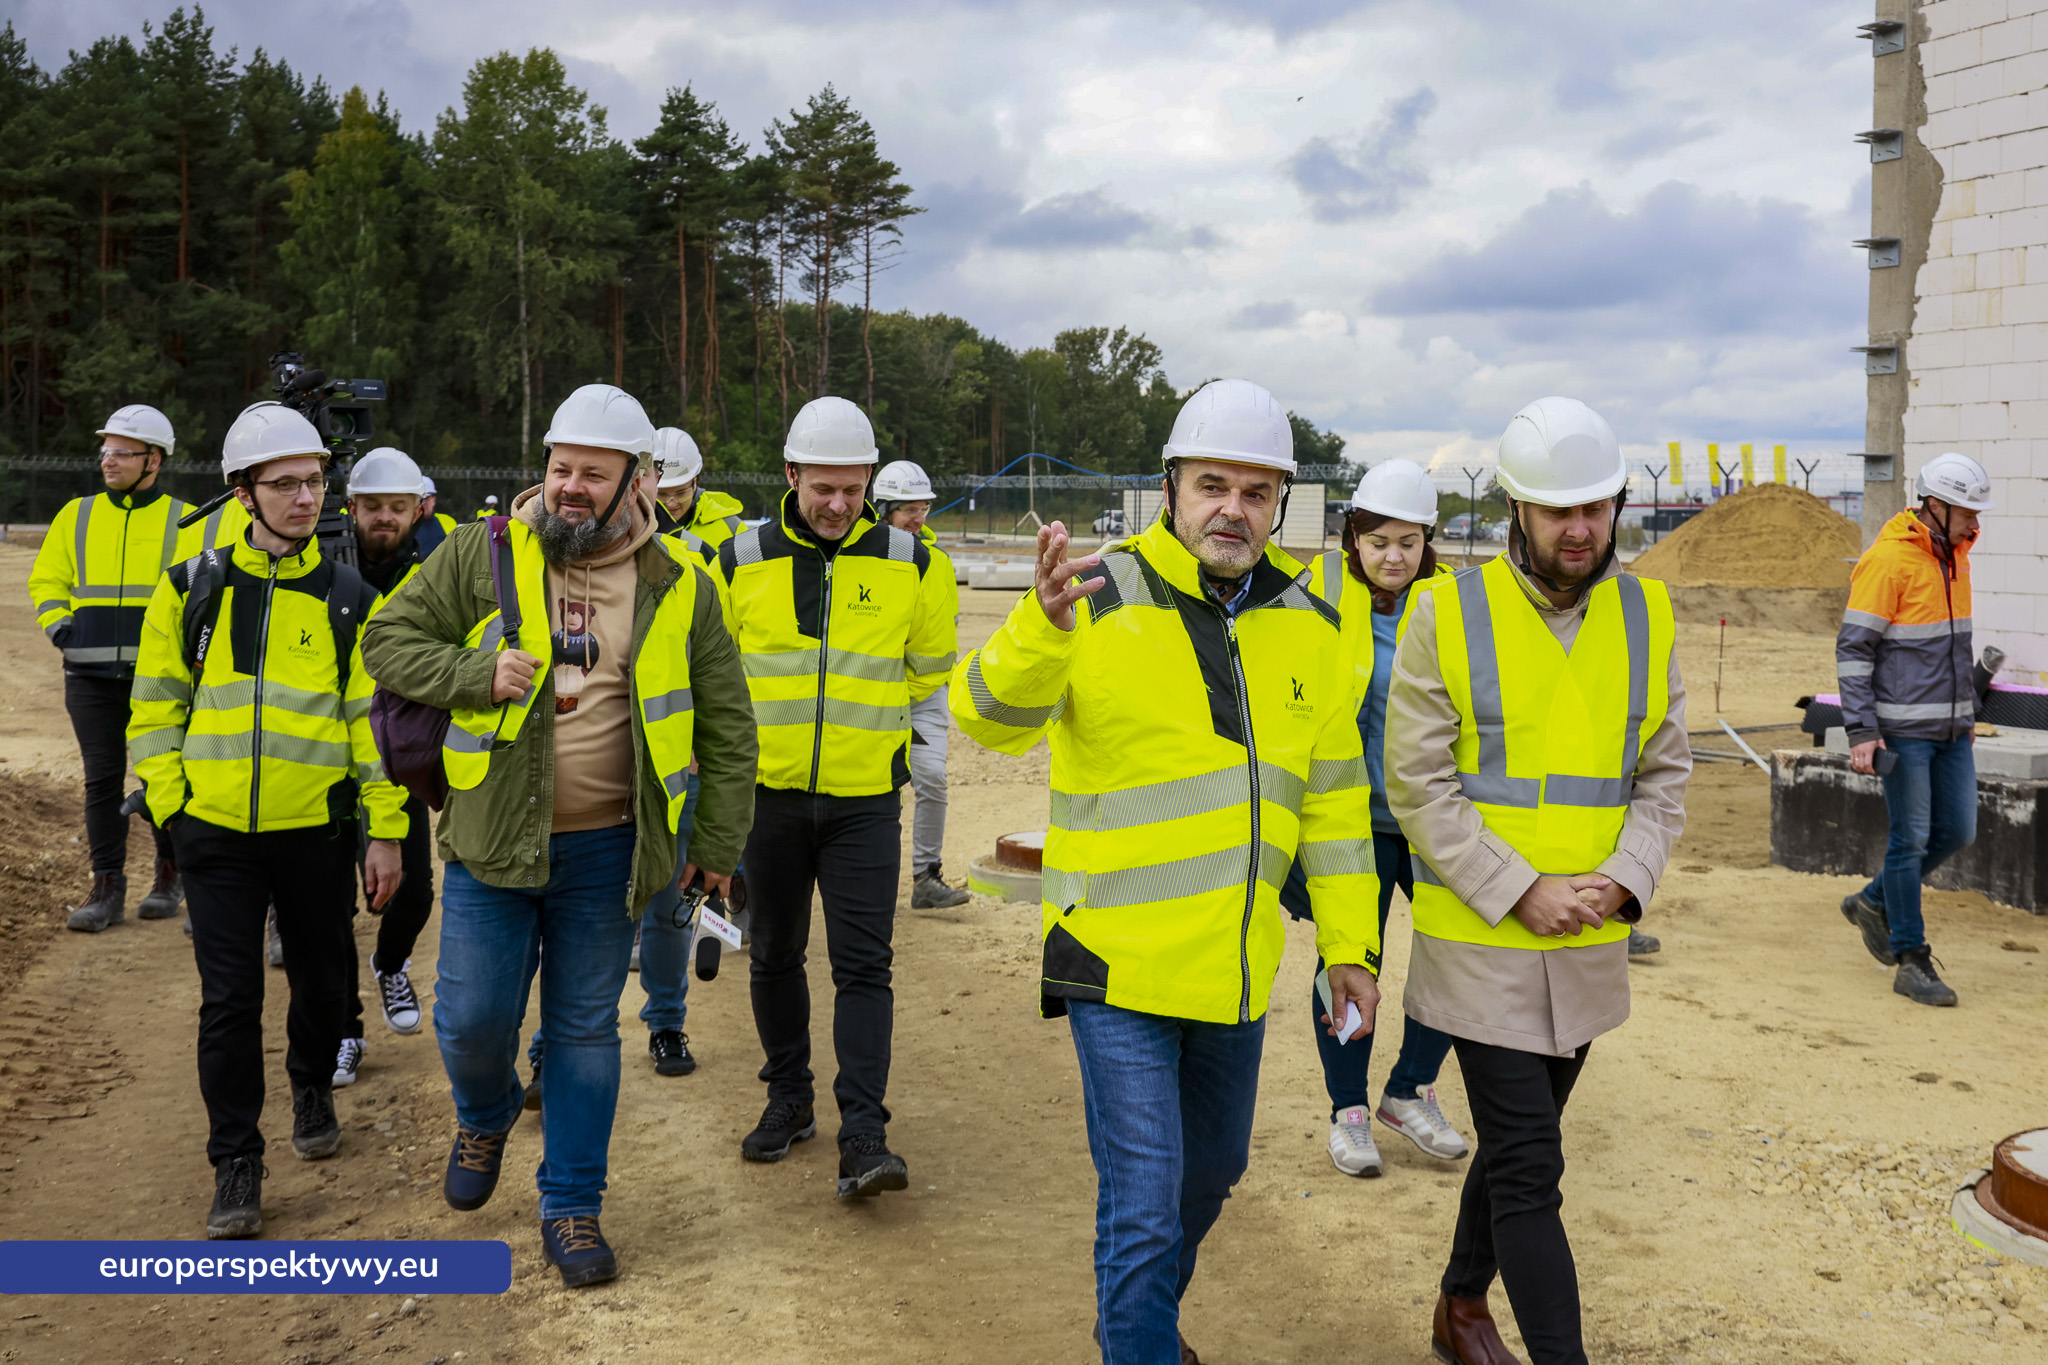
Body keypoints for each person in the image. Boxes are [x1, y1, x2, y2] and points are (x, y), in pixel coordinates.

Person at [952, 379, 1378, 1364]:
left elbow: (1335, 813)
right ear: (1170, 489)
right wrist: (1037, 632)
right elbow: (983, 716)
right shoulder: (1093, 599)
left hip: (1230, 972)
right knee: (1142, 1205)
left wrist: (1349, 948)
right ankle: (1137, 1340)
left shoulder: (1311, 627)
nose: (1233, 508)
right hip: (1113, 958)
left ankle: (1130, 1323)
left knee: (1212, 1172)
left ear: (1279, 504)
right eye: (1212, 485)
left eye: (1256, 491)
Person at [360, 383, 756, 1288]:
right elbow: (387, 639)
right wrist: (472, 672)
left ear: (637, 482)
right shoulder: (485, 550)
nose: (571, 487)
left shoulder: (682, 584)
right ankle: (487, 1107)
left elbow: (730, 728)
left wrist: (719, 849)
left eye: (594, 472)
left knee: (583, 1031)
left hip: (609, 853)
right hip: (492, 843)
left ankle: (571, 1205)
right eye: (560, 467)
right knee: (468, 1018)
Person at [1386, 397, 1690, 1365]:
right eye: (1557, 510)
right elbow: (1417, 782)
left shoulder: (1645, 612)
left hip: (1586, 938)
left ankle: (1457, 1306)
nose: (1579, 528)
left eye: (1595, 507)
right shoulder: (1444, 613)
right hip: (1480, 940)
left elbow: (1662, 774)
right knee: (1529, 1164)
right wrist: (1520, 887)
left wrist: (1622, 877)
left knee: (1522, 1145)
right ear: (1514, 509)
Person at [128, 402, 407, 1239]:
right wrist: (175, 808)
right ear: (242, 492)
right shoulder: (192, 587)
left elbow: (373, 726)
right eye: (284, 483)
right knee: (229, 998)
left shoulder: (347, 595)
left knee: (323, 986)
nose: (303, 498)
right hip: (213, 834)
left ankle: (312, 1081)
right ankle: (236, 1160)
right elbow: (152, 709)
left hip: (315, 834)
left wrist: (384, 828)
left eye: (314, 481)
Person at [715, 397, 952, 1199]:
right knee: (775, 954)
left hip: (861, 804)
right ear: (791, 475)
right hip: (767, 800)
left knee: (865, 965)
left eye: (853, 489)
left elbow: (927, 673)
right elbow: (713, 681)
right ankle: (789, 1099)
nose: (839, 504)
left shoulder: (912, 562)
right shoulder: (737, 558)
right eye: (824, 487)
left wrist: (897, 749)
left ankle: (864, 1133)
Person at [1284, 458, 1467, 1177]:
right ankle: (1348, 1110)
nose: (1394, 556)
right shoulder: (1315, 594)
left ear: (1429, 542)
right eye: (1379, 540)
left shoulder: (1454, 603)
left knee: (1463, 953)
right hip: (1348, 821)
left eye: (1409, 542)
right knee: (1352, 961)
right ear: (1351, 536)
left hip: (1430, 818)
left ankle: (1408, 1089)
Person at [31, 404, 196, 931]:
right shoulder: (75, 515)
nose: (110, 460)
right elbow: (47, 581)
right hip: (90, 678)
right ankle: (106, 887)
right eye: (107, 450)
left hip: (161, 680)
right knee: (101, 782)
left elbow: (204, 596)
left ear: (154, 460)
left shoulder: (188, 519)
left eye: (123, 452)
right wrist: (62, 630)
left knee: (163, 775)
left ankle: (170, 876)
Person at [1836, 451, 1991, 1008]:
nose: (1976, 523)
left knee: (1960, 831)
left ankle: (1873, 902)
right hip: (1903, 733)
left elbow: (1956, 647)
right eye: (1968, 511)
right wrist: (1861, 732)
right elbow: (1854, 650)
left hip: (1951, 728)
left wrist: (1966, 711)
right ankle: (1910, 957)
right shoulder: (1888, 562)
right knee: (1911, 840)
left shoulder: (1957, 558)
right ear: (1935, 506)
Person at [331, 449, 440, 1089]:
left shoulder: (430, 572)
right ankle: (345, 1028)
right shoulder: (326, 568)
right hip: (327, 761)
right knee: (329, 911)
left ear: (416, 509)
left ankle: (389, 963)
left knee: (416, 891)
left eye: (397, 507)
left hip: (395, 757)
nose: (384, 518)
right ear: (353, 508)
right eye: (373, 506)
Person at [872, 459, 969, 909]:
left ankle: (926, 878)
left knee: (931, 777)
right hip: (875, 694)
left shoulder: (937, 562)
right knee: (880, 789)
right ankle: (870, 879)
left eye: (922, 507)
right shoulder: (868, 560)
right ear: (883, 509)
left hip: (926, 692)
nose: (917, 517)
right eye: (907, 508)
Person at [650, 424, 747, 547]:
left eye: (681, 493)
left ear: (695, 481)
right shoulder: (629, 529)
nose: (671, 503)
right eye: (661, 494)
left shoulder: (732, 530)